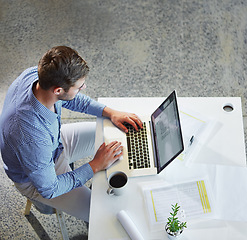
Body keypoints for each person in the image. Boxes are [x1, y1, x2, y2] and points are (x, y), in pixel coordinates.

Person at [0, 46, 142, 222]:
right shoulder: (30, 134)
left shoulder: (37, 75)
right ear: (58, 90)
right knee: (105, 216)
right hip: (39, 178)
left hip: (53, 144)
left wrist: (110, 112)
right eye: (80, 86)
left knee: (110, 133)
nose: (84, 87)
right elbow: (49, 188)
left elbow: (74, 99)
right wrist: (95, 166)